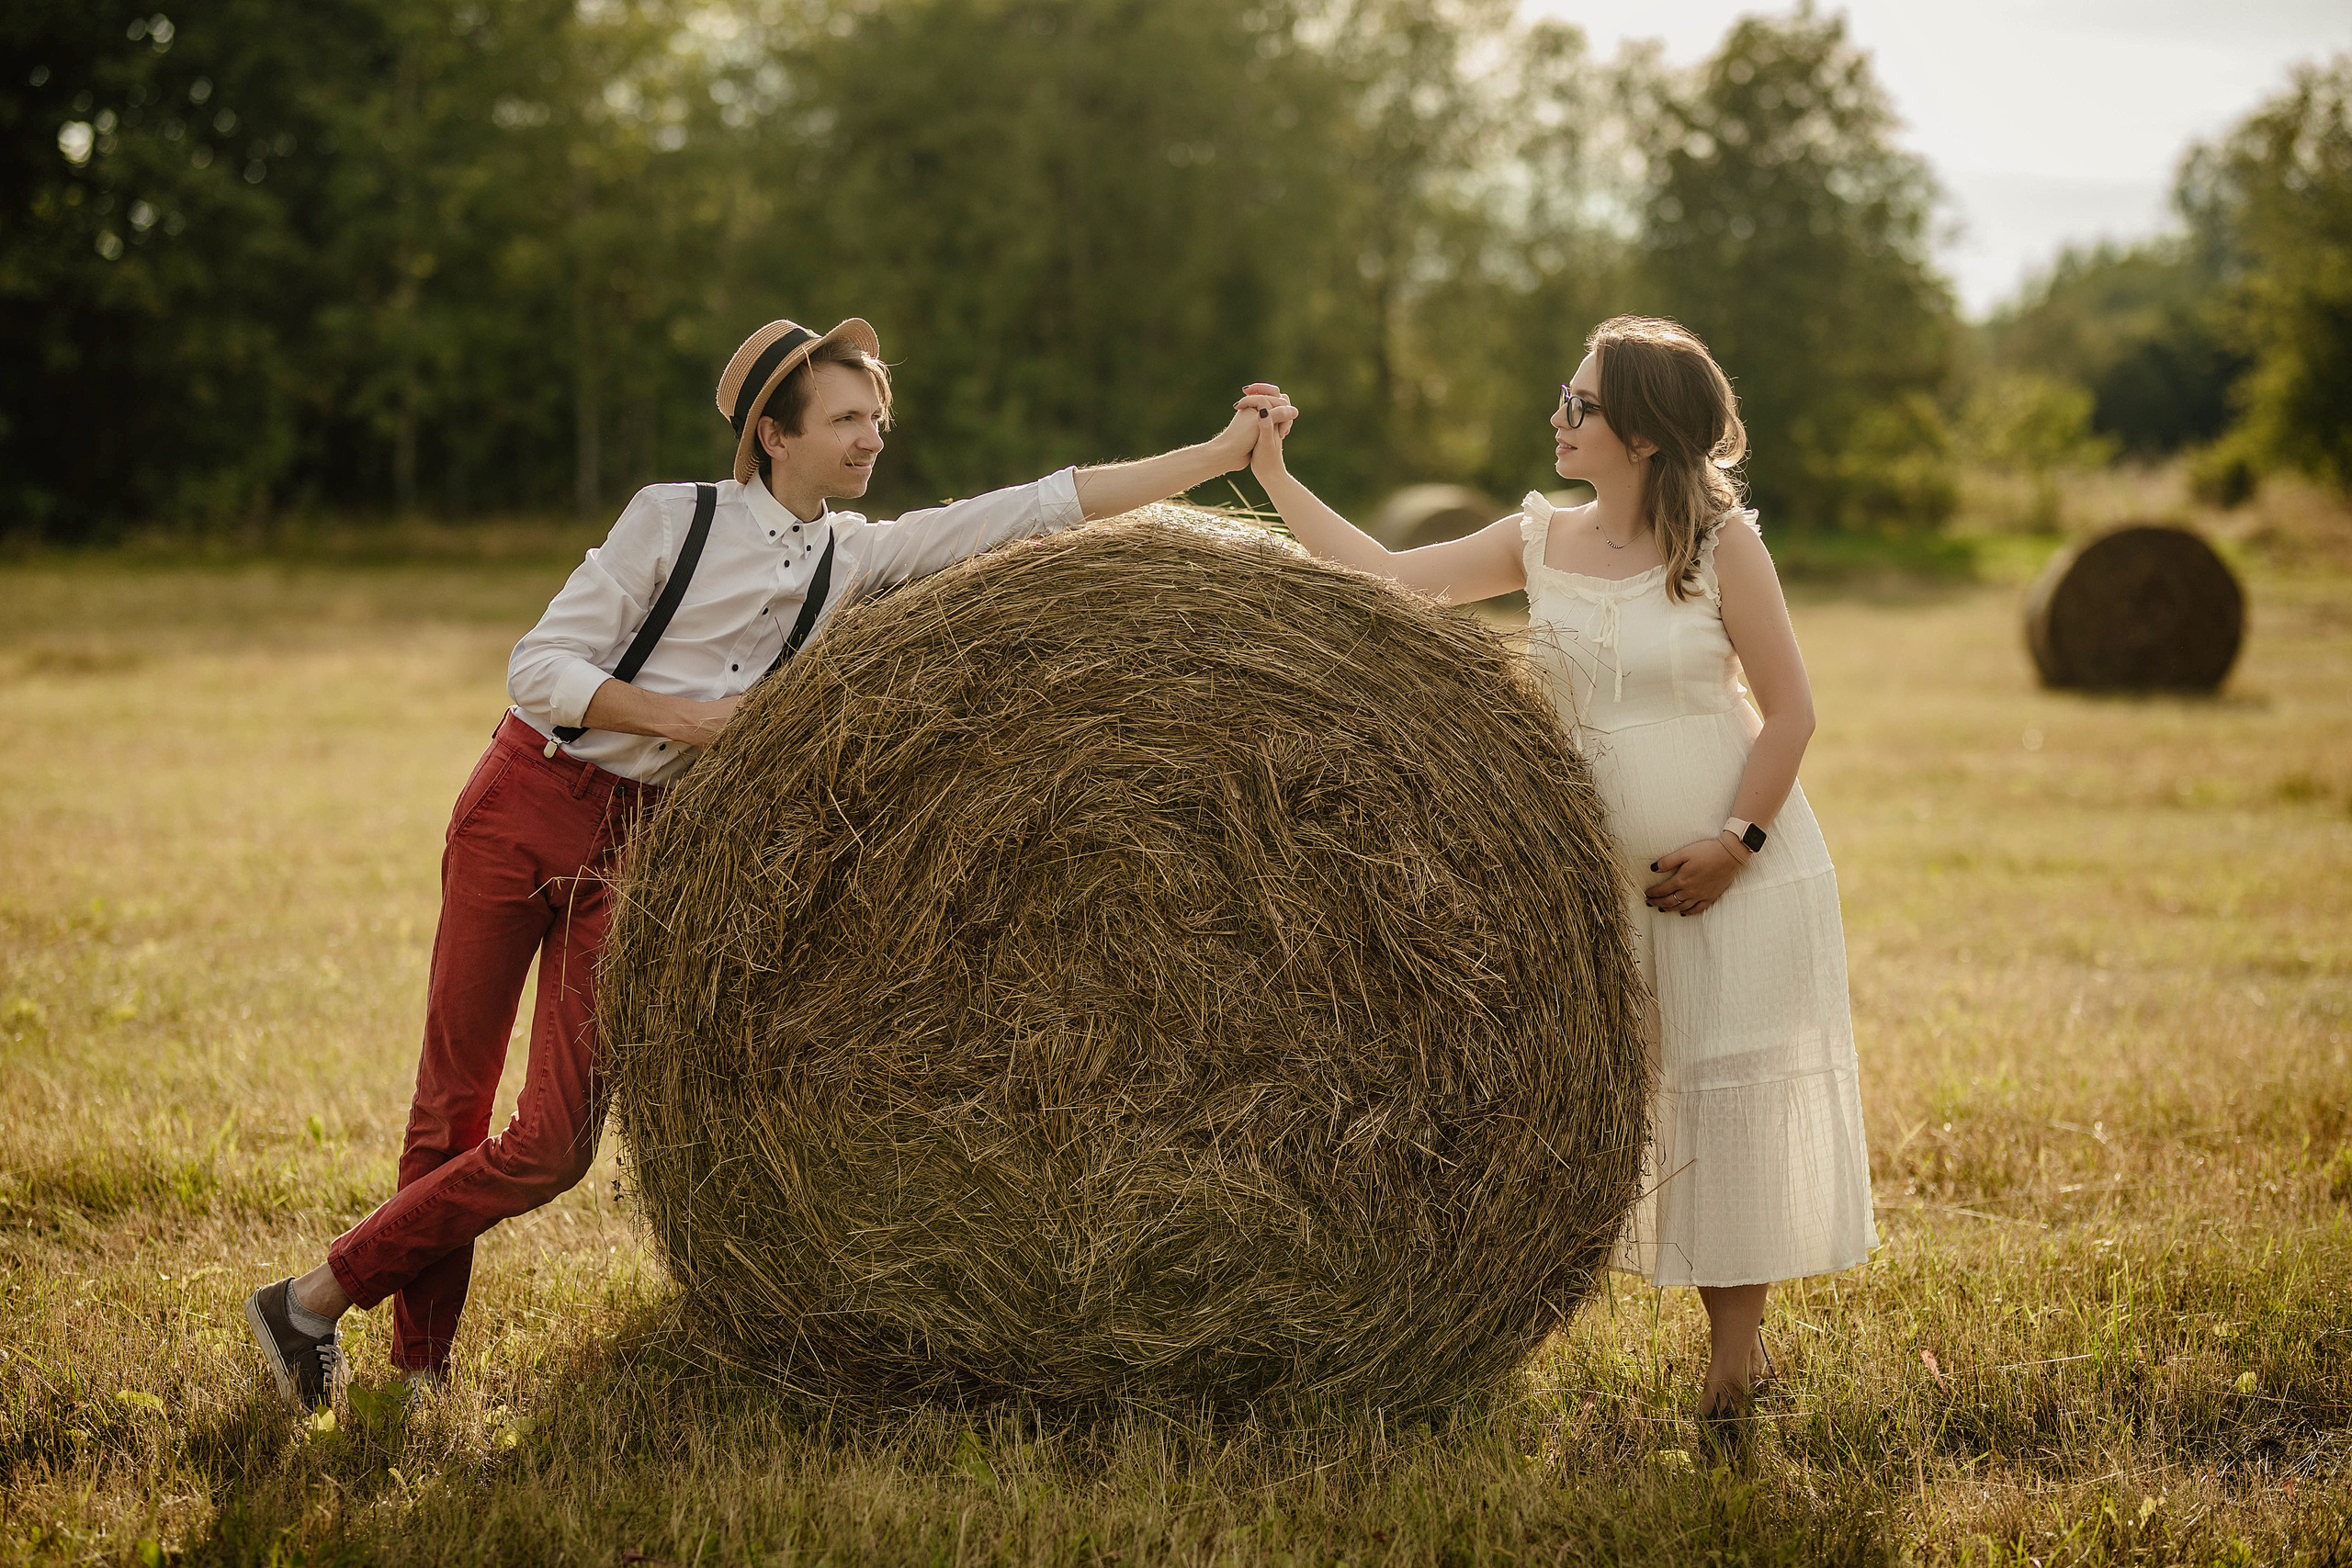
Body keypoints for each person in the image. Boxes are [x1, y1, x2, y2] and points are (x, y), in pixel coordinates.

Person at [243, 316, 1297, 1411]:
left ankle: (311, 1297)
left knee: (553, 1143)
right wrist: (697, 724)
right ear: (773, 436)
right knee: (448, 1109)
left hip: (643, 849)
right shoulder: (672, 518)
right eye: (846, 419)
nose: (870, 438)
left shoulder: (855, 556)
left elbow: (1044, 503)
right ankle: (418, 1374)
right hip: (527, 801)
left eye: (878, 420)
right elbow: (539, 666)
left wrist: (1220, 455)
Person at [1241, 317, 1875, 1438]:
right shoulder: (1536, 539)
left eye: (1579, 405)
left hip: (1733, 862)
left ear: (1639, 432)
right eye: (1564, 398)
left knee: (1727, 1095)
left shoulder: (1724, 546)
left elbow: (1791, 713)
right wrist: (1275, 474)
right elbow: (1387, 577)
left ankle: (1735, 1366)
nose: (1558, 419)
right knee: (1600, 1093)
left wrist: (1737, 843)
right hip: (1581, 876)